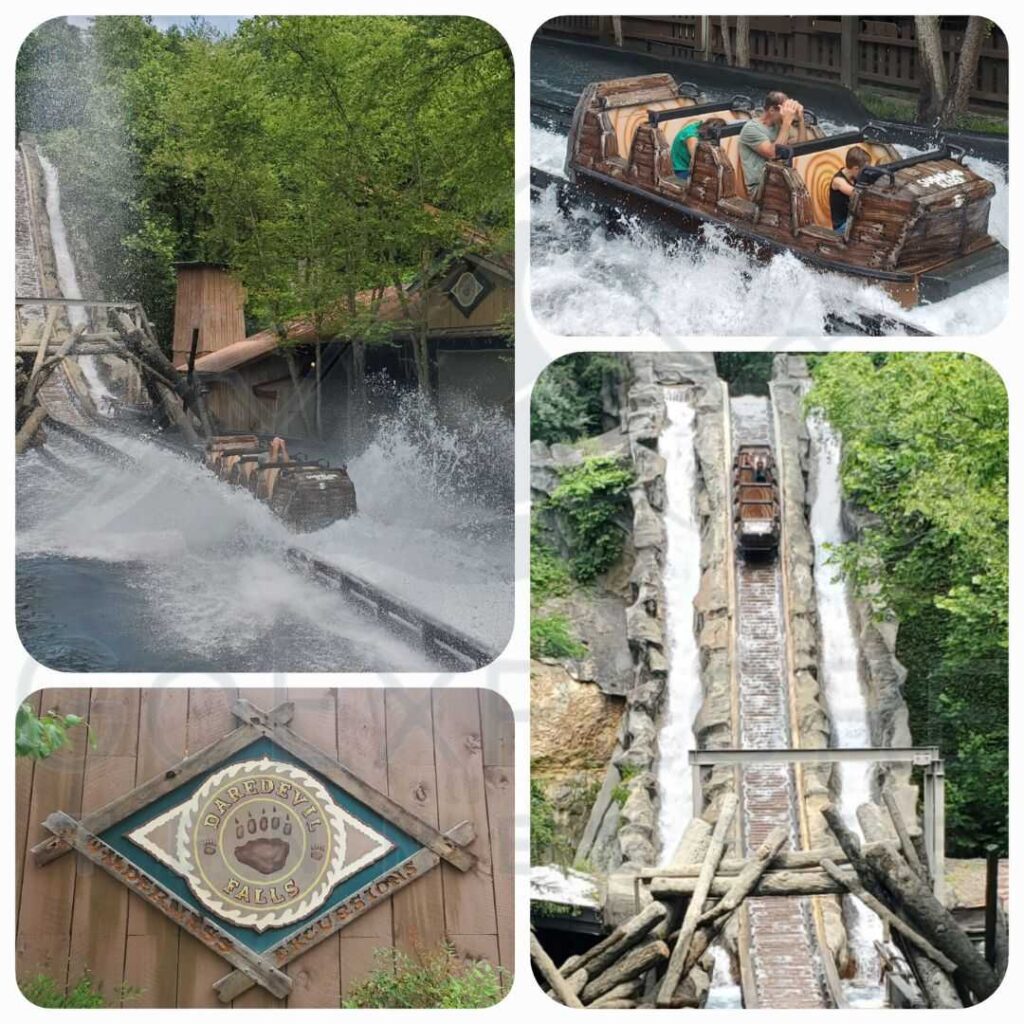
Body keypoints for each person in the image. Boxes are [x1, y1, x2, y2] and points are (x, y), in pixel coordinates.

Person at [738, 91, 807, 192]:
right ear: (771, 110)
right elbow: (774, 155)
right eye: (784, 111)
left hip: (781, 178)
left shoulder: (779, 125)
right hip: (760, 187)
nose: (786, 114)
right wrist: (787, 121)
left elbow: (801, 147)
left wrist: (801, 120)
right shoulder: (751, 129)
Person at [830, 146, 871, 232]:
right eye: (864, 171)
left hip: (852, 219)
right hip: (841, 226)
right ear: (856, 169)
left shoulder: (853, 177)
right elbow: (857, 193)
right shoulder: (838, 181)